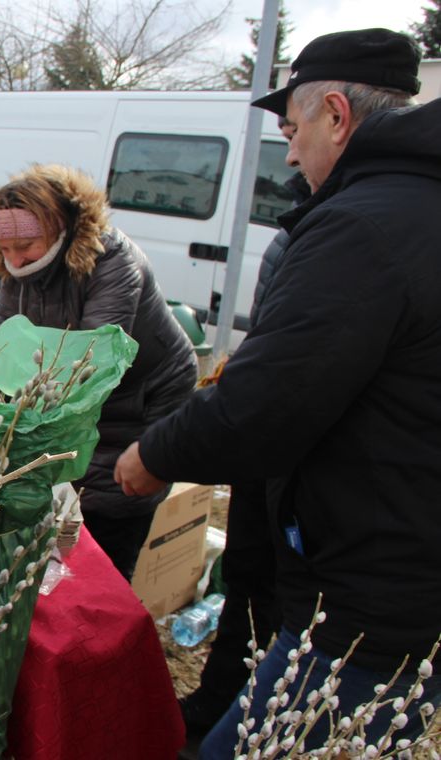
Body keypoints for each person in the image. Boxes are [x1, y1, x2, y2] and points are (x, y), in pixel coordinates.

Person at [114, 28, 441, 756]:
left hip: (372, 585)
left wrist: (155, 454)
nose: (288, 154)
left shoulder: (365, 225)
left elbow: (268, 400)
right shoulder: (417, 208)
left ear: (336, 113)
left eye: (292, 131)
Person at [0, 164, 197, 580]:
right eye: (3, 249)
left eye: (24, 245)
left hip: (139, 401)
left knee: (112, 515)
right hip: (77, 406)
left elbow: (93, 364)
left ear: (59, 228)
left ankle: (109, 608)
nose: (13, 260)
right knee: (63, 519)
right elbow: (9, 346)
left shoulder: (113, 261)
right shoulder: (17, 270)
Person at [178, 171, 309, 741]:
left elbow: (298, 361)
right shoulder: (305, 220)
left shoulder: (348, 226)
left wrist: (170, 447)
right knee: (247, 578)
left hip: (305, 456)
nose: (291, 150)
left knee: (282, 597)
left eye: (295, 126)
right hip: (269, 452)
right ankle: (216, 704)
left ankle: (249, 720)